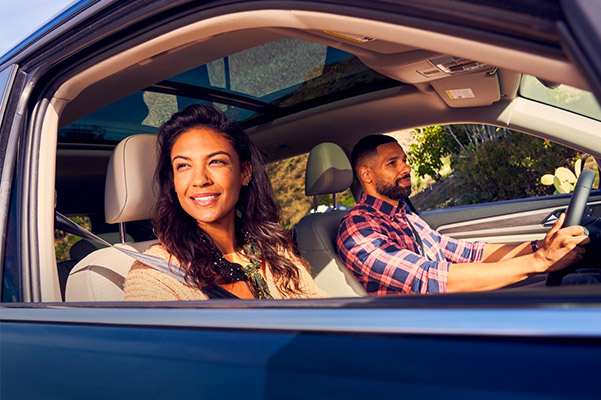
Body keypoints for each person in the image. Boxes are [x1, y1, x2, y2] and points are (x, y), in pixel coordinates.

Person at [336, 134, 590, 295]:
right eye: (392, 163)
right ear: (366, 175)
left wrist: (538, 246)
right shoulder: (358, 230)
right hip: (428, 331)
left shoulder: (403, 214)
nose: (406, 168)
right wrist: (540, 260)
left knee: (579, 286)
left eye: (404, 159)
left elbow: (468, 253)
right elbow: (428, 279)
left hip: (452, 310)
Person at [125, 104, 327, 300]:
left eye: (216, 162)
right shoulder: (154, 274)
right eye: (184, 166)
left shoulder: (274, 250)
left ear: (245, 173)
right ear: (173, 182)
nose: (200, 180)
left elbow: (324, 316)